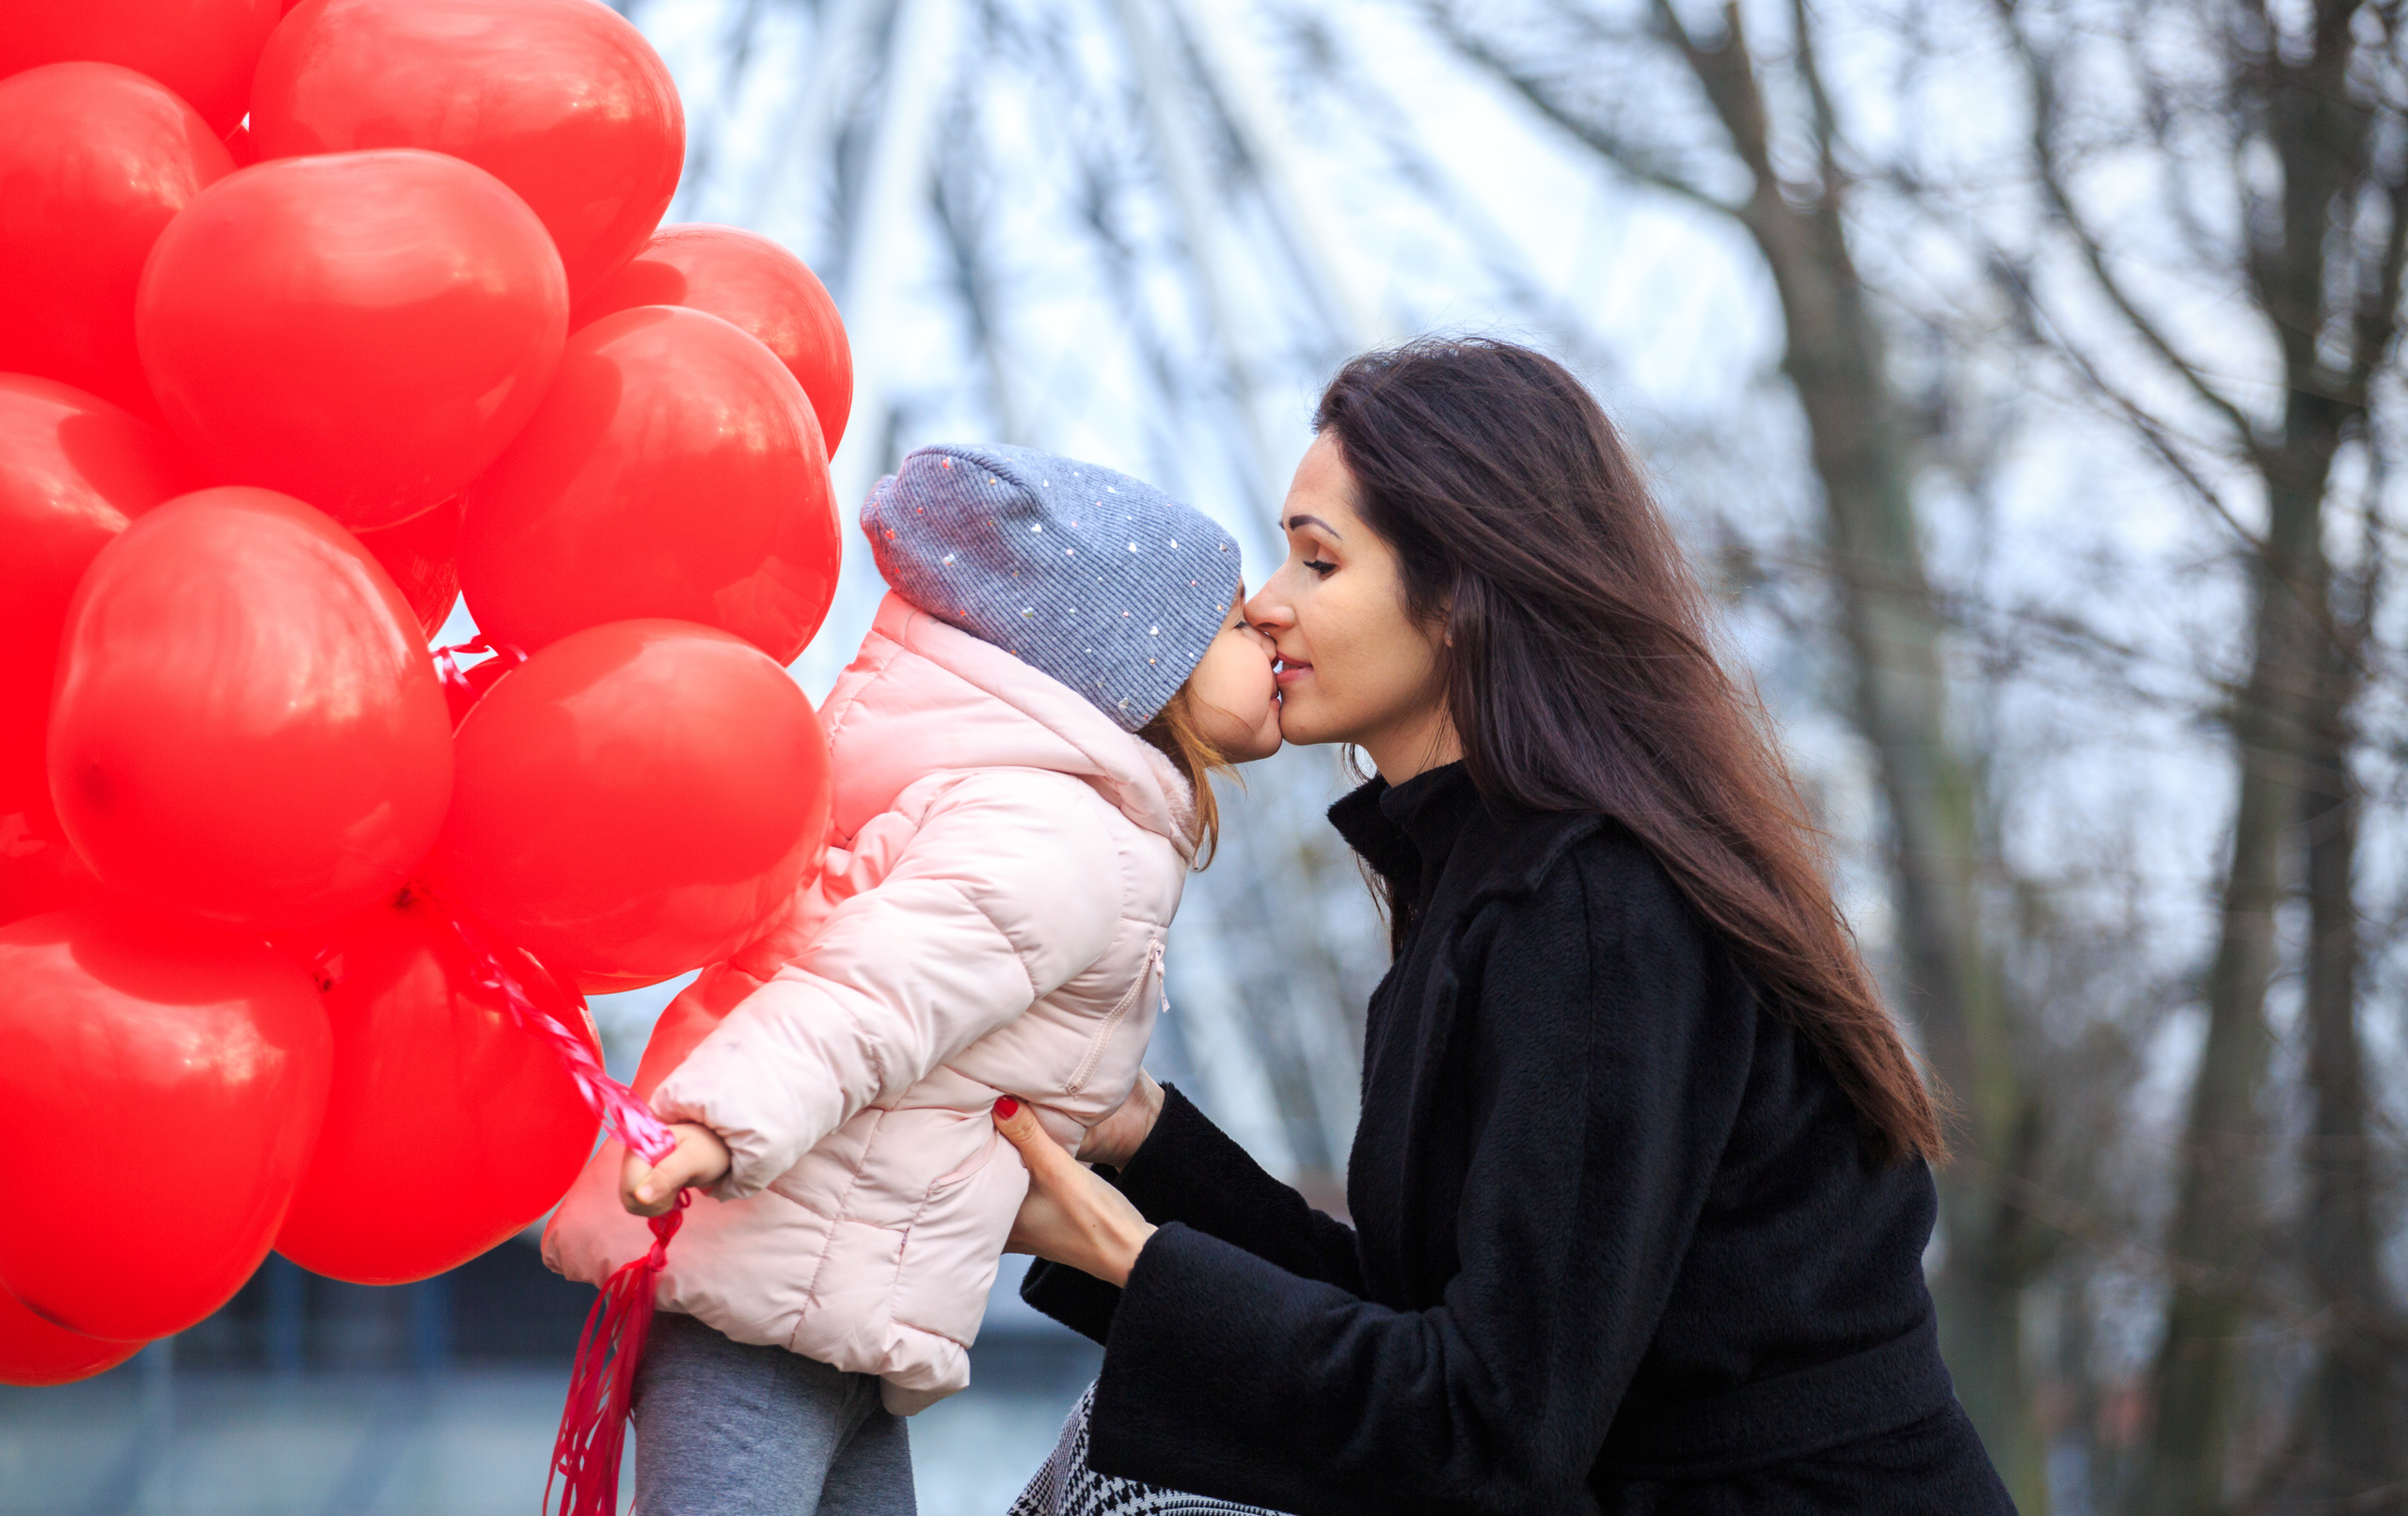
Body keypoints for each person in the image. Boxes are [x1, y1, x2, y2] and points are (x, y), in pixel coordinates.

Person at [992, 339, 2018, 1514]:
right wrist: (1138, 1137)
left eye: (1317, 561)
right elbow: (1417, 1323)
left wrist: (1129, 1255)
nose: (1266, 604)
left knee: (1124, 1481)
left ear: (1462, 591)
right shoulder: (1504, 879)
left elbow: (1490, 1425)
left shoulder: (1594, 910)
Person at [541, 443, 1281, 1516]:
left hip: (836, 1312)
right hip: (758, 1300)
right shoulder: (1055, 835)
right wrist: (716, 1127)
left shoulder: (1080, 827)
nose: (1270, 641)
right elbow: (864, 998)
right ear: (1137, 662)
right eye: (1234, 624)